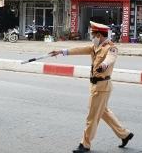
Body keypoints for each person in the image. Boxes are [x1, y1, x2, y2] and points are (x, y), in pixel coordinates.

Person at [49, 21, 134, 153]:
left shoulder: (110, 48)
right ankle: (124, 134)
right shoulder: (96, 46)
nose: (91, 36)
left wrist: (104, 65)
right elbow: (79, 49)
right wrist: (60, 51)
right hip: (97, 86)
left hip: (102, 86)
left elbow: (110, 58)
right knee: (103, 112)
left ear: (99, 35)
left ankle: (85, 144)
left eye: (93, 34)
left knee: (92, 117)